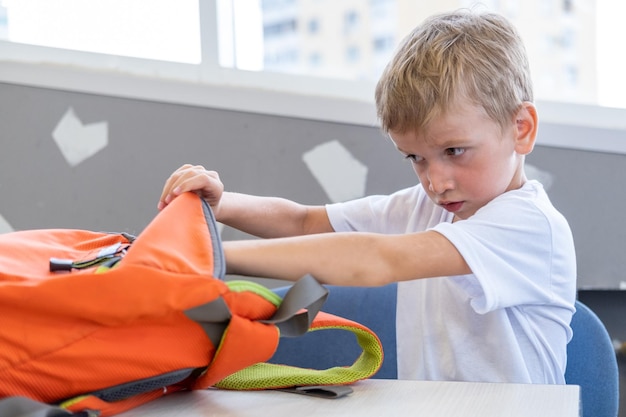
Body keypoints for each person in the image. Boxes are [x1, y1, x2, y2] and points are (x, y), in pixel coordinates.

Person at [158, 10, 576, 385]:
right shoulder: (426, 206)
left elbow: (377, 259)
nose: (436, 181)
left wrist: (214, 256)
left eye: (454, 151)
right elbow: (305, 221)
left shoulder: (530, 225)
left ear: (521, 127)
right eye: (416, 157)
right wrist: (224, 205)